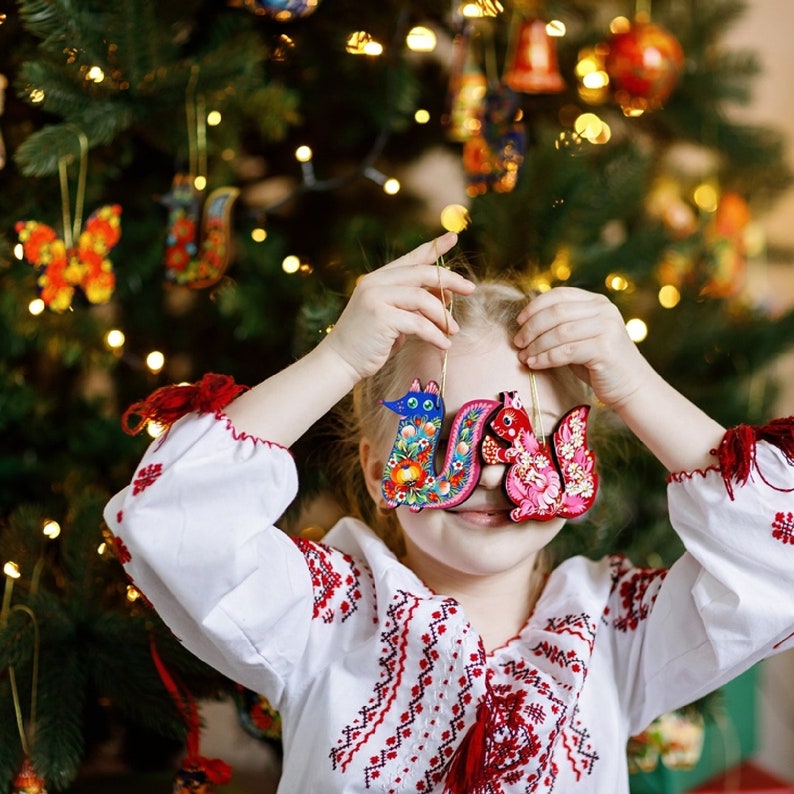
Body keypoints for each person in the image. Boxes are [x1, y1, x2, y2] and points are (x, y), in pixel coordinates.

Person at [105, 232, 794, 793]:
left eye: (532, 439)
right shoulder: (322, 617)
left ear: (582, 455)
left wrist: (638, 385)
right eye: (443, 438)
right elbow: (166, 516)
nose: (493, 471)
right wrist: (339, 357)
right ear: (378, 472)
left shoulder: (619, 632)